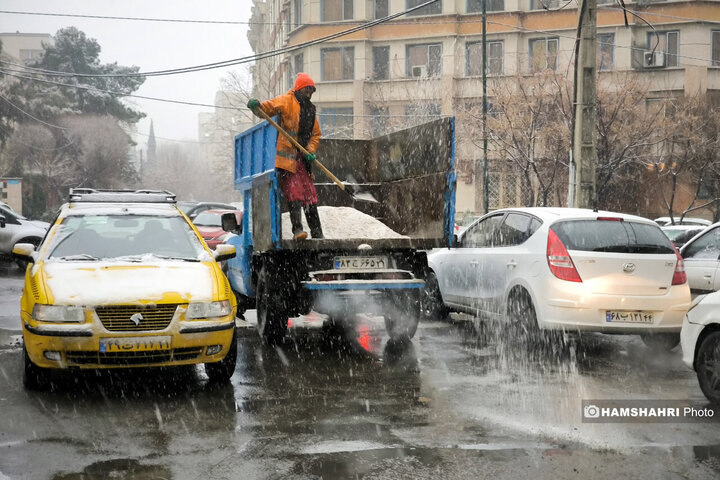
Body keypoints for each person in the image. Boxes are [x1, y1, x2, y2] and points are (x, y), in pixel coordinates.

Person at [247, 73, 324, 240]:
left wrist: (311, 150)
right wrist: (257, 106)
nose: (309, 94)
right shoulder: (287, 101)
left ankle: (317, 232)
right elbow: (267, 108)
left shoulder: (311, 110)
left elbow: (316, 134)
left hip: (303, 161)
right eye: (307, 90)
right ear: (298, 89)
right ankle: (298, 230)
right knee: (295, 192)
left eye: (311, 91)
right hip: (287, 160)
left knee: (310, 195)